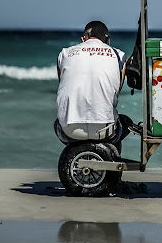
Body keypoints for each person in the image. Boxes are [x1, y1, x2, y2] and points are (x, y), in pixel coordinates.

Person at [55, 21, 133, 153]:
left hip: (69, 128)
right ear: (107, 38)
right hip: (105, 129)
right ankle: (114, 161)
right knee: (125, 122)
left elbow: (62, 82)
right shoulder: (118, 55)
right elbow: (116, 90)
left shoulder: (65, 53)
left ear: (83, 39)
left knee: (59, 123)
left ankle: (76, 155)